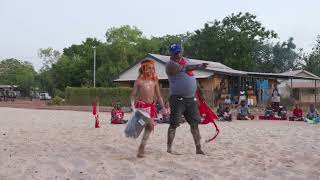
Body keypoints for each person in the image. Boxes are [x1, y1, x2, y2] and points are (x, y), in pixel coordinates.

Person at [166, 43, 208, 155]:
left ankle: (198, 148)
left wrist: (199, 90)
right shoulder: (170, 64)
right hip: (177, 98)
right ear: (170, 53)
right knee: (174, 124)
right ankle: (169, 149)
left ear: (182, 51)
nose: (178, 54)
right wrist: (199, 66)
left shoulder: (187, 60)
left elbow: (192, 77)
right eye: (175, 53)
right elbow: (185, 69)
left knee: (195, 124)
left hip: (191, 98)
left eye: (179, 51)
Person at [131, 59, 165, 158]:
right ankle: (141, 145)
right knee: (149, 124)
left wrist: (163, 107)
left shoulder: (155, 81)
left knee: (149, 127)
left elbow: (159, 96)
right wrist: (132, 105)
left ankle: (142, 147)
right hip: (141, 107)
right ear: (143, 69)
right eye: (149, 68)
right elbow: (133, 95)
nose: (151, 70)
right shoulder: (139, 81)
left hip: (151, 107)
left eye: (152, 68)